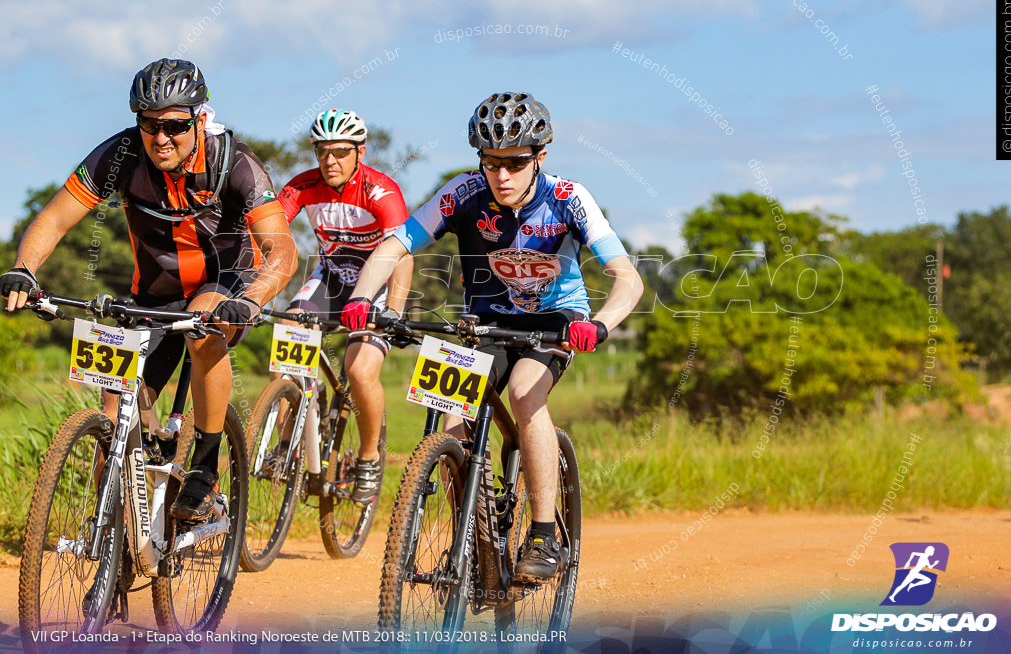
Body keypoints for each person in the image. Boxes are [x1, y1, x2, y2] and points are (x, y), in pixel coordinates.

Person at [343, 92, 643, 582]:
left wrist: (601, 323)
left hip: (554, 320)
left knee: (526, 394)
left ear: (540, 157)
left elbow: (628, 277)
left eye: (515, 163)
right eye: (491, 163)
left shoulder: (569, 198)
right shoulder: (461, 193)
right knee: (445, 405)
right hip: (484, 322)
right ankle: (471, 523)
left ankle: (544, 536)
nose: (502, 176)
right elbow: (396, 243)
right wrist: (362, 297)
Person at [0, 58, 297, 522]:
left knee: (203, 331)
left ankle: (204, 466)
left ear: (199, 119)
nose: (161, 138)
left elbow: (282, 251)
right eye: (149, 124)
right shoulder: (120, 154)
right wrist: (24, 269)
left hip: (224, 281)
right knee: (117, 405)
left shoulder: (234, 163)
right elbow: (56, 217)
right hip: (154, 293)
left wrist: (252, 300)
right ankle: (115, 533)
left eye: (175, 126)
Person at [272, 108, 412, 506]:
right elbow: (270, 232)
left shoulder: (380, 191)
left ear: (360, 152)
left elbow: (402, 256)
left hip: (378, 288)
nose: (329, 161)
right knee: (286, 354)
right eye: (321, 152)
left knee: (359, 369)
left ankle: (368, 457)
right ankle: (286, 442)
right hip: (332, 279)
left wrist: (394, 312)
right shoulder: (303, 186)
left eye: (339, 152)